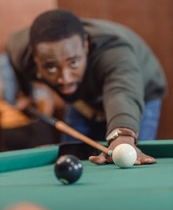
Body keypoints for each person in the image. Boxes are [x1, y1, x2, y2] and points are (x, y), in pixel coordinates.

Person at [6, 9, 167, 164]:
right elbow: (16, 62)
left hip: (139, 94)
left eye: (73, 63)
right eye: (51, 67)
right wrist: (26, 93)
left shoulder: (113, 52)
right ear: (34, 57)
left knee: (133, 156)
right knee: (71, 156)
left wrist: (123, 137)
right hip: (82, 98)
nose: (65, 79)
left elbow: (122, 92)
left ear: (85, 46)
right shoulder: (21, 51)